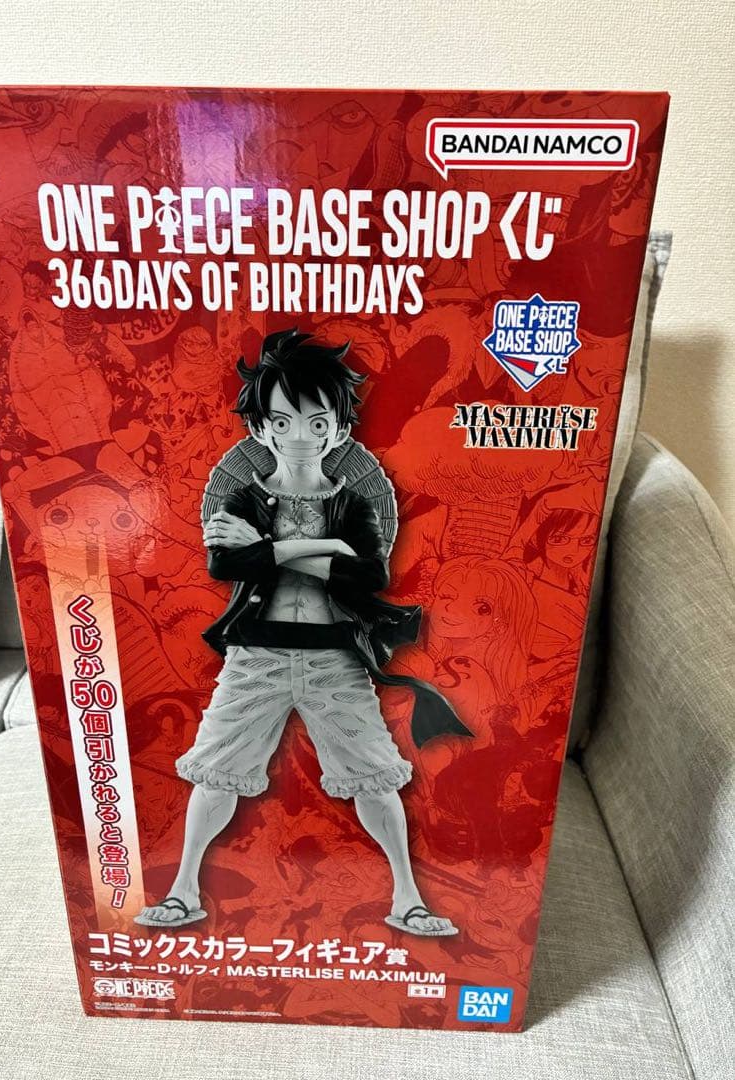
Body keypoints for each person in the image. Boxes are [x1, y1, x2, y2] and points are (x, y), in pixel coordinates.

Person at [135, 328, 470, 937]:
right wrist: (322, 548)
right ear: (261, 429)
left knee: (375, 774)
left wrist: (269, 549)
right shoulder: (242, 498)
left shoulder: (356, 504)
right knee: (216, 772)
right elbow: (224, 564)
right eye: (282, 421)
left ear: (338, 430)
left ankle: (408, 899)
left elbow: (368, 575)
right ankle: (183, 892)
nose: (299, 436)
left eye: (317, 423)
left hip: (335, 660)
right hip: (254, 656)